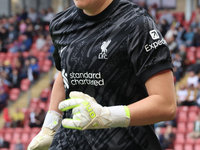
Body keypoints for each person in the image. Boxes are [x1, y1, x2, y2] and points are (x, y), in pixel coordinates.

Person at [28, 0, 176, 150]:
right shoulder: (61, 23)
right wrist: (49, 127)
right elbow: (64, 73)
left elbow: (166, 105)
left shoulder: (138, 24)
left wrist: (106, 116)